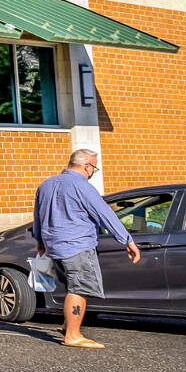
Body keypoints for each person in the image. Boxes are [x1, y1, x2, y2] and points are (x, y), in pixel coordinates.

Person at [31, 148, 138, 350]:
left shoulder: (46, 184)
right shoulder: (82, 186)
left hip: (55, 246)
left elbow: (38, 214)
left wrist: (39, 240)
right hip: (77, 245)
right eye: (94, 169)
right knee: (79, 288)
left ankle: (66, 325)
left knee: (72, 285)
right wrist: (127, 240)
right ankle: (73, 335)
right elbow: (105, 214)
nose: (93, 173)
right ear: (86, 166)